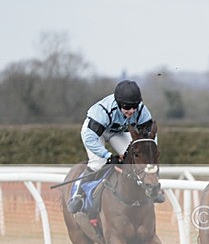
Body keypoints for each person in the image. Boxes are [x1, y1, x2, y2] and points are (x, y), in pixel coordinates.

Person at [67, 80, 163, 213]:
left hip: (117, 132)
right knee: (98, 162)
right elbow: (90, 139)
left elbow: (150, 138)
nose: (131, 111)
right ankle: (78, 195)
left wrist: (150, 153)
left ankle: (151, 189)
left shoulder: (141, 111)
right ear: (118, 103)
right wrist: (108, 156)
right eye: (127, 107)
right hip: (95, 134)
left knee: (136, 157)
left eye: (134, 106)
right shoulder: (103, 111)